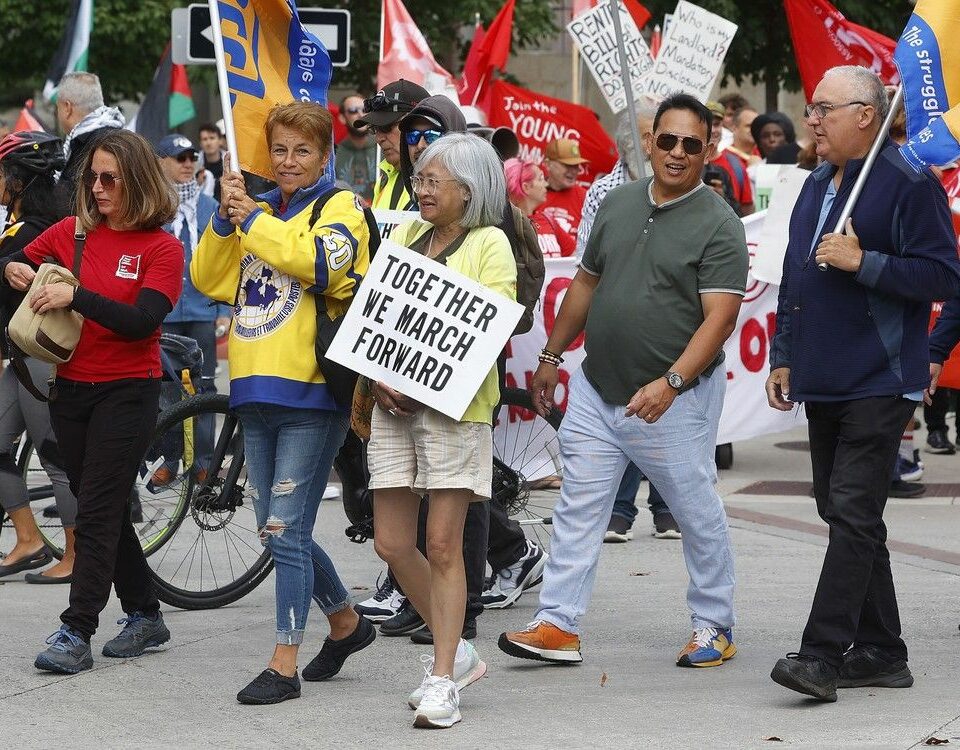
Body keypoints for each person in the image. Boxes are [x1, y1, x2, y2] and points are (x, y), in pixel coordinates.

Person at [498, 93, 747, 669]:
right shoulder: (614, 202)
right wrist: (553, 357)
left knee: (693, 509)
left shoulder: (719, 223)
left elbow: (721, 317)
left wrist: (673, 383)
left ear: (709, 148)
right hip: (595, 388)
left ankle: (714, 624)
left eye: (691, 143)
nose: (678, 153)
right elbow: (585, 283)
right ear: (649, 143)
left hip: (673, 402)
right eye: (667, 141)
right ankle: (558, 624)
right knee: (578, 506)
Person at [765, 65, 960, 702]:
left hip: (881, 376)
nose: (812, 119)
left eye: (824, 108)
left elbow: (941, 277)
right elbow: (794, 274)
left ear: (866, 117)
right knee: (843, 511)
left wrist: (865, 262)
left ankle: (822, 654)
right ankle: (882, 650)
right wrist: (783, 353)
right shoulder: (817, 181)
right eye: (812, 108)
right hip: (824, 375)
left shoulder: (908, 183)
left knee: (851, 511)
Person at [192, 101, 373, 705]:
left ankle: (283, 660)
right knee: (278, 532)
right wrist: (227, 217)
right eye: (281, 150)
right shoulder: (258, 210)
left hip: (312, 394)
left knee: (283, 527)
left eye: (302, 151)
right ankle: (346, 622)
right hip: (252, 390)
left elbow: (321, 264)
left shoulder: (341, 207)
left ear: (324, 156)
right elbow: (210, 279)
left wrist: (256, 222)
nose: (289, 161)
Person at [1, 129, 184, 673]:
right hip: (71, 388)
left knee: (97, 507)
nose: (98, 188)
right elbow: (16, 257)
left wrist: (76, 295)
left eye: (110, 178)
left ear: (139, 181)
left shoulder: (162, 248)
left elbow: (143, 322)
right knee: (101, 504)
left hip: (128, 390)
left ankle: (76, 627)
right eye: (92, 178)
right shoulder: (72, 232)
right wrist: (14, 269)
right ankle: (146, 612)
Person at [370, 133, 516, 729]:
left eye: (434, 181)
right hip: (390, 405)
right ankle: (457, 653)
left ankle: (442, 671)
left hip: (455, 412)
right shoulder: (404, 236)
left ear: (470, 190)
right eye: (420, 179)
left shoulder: (490, 244)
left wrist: (418, 383)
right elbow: (377, 314)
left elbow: (488, 331)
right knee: (390, 543)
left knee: (443, 545)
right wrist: (380, 377)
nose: (421, 189)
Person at [570, 100, 683, 542]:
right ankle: (619, 509)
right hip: (619, 321)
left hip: (665, 323)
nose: (662, 145)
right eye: (651, 136)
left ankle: (665, 506)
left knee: (662, 411)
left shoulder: (683, 190)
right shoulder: (605, 193)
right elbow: (587, 261)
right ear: (629, 145)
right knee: (625, 409)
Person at [0, 131, 78, 584]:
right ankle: (29, 540)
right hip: (19, 356)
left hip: (41, 357)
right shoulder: (22, 224)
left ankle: (76, 552)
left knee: (55, 456)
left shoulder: (35, 230)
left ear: (18, 180)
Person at [153, 134, 228, 484]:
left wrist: (225, 309)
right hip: (165, 312)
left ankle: (205, 463)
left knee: (204, 388)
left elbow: (229, 258)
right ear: (161, 163)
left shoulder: (210, 206)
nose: (187, 163)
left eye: (191, 157)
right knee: (168, 389)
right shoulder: (153, 206)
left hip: (202, 310)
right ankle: (172, 458)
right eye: (179, 157)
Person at [53, 72, 125, 211]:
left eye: (58, 108)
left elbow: (76, 203)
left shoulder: (94, 145)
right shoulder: (121, 136)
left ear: (67, 107)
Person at [354, 79, 430, 211]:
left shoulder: (442, 182)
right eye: (374, 129)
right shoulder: (385, 177)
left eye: (386, 127)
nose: (378, 138)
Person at [503, 158, 574, 258]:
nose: (546, 184)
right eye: (541, 179)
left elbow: (573, 255)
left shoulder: (548, 219)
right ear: (526, 187)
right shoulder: (505, 226)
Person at [539, 138, 588, 244]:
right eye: (567, 165)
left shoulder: (585, 197)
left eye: (576, 166)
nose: (573, 171)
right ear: (548, 164)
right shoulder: (533, 193)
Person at [335, 93, 377, 203]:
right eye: (353, 110)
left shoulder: (382, 149)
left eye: (364, 110)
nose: (360, 114)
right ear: (342, 117)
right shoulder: (333, 153)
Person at [715, 107, 757, 217]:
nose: (754, 130)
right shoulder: (725, 159)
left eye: (757, 126)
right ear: (734, 127)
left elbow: (747, 211)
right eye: (748, 126)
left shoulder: (766, 156)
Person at [196, 122, 225, 201]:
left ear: (220, 141)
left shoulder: (231, 162)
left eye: (212, 138)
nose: (208, 143)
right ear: (200, 143)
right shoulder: (193, 164)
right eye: (205, 139)